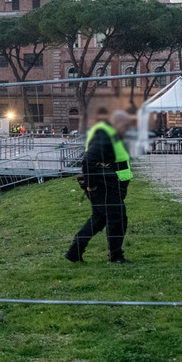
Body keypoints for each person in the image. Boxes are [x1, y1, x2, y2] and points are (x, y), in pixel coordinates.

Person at [66, 110, 136, 264]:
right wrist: (90, 186)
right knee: (117, 219)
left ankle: (74, 252)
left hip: (110, 184)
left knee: (99, 219)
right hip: (105, 186)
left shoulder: (111, 133)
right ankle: (115, 256)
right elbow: (87, 161)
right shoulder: (104, 135)